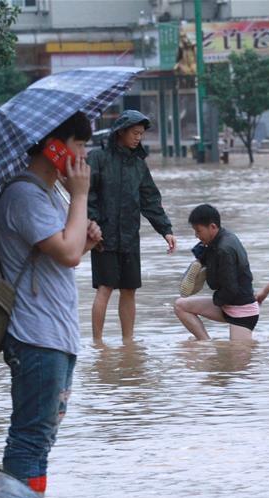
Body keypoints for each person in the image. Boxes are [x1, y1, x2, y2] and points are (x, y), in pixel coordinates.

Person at [0, 112, 102, 496]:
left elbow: (68, 253)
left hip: (55, 334)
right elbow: (68, 255)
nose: (84, 156)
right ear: (53, 146)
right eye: (80, 145)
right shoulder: (24, 195)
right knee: (30, 440)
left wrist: (84, 237)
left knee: (42, 441)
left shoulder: (48, 194)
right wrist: (81, 196)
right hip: (36, 336)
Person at [87, 110, 175, 342]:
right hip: (103, 237)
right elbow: (88, 195)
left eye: (141, 134)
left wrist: (166, 230)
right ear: (121, 131)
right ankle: (98, 343)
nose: (138, 138)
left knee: (129, 290)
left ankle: (129, 342)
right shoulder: (98, 157)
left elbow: (150, 200)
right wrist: (93, 225)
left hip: (129, 237)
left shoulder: (138, 164)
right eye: (135, 133)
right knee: (104, 288)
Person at [174, 204, 259, 341]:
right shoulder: (218, 240)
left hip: (242, 311)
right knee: (180, 305)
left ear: (212, 227)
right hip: (227, 304)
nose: (196, 235)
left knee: (238, 361)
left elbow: (231, 289)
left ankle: (213, 348)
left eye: (199, 231)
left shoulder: (224, 249)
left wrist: (216, 299)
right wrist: (200, 263)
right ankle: (206, 344)